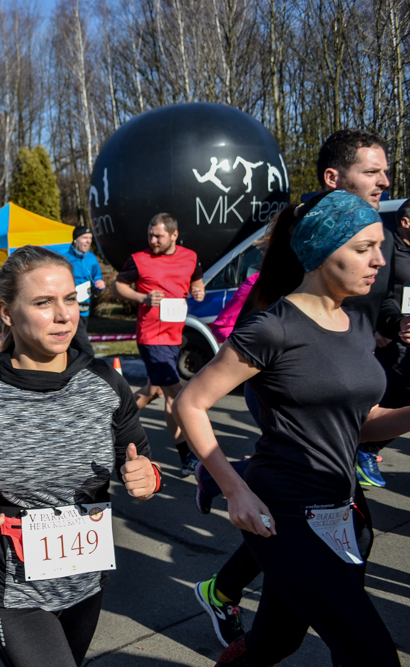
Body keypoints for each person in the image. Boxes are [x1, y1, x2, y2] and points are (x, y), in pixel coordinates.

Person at [174, 190, 407, 666]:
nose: (379, 260)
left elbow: (359, 426)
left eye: (378, 247)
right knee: (372, 655)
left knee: (277, 640)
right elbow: (190, 402)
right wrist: (233, 489)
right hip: (283, 514)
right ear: (323, 251)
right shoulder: (273, 327)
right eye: (363, 248)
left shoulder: (359, 323)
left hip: (342, 512)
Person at [0, 245, 162, 667]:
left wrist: (148, 476)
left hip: (86, 579)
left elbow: (141, 459)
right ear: (7, 313)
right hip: (11, 585)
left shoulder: (106, 383)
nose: (64, 315)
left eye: (70, 299)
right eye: (43, 303)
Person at [113, 213, 204, 475]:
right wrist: (142, 297)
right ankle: (188, 457)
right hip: (151, 337)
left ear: (174, 235)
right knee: (178, 394)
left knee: (155, 390)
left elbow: (197, 282)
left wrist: (199, 290)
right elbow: (118, 286)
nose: (152, 240)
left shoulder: (190, 256)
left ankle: (111, 422)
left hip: (175, 335)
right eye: (150, 235)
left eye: (158, 236)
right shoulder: (139, 259)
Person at [367, 198, 410, 487]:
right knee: (403, 393)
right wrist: (382, 327)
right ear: (405, 222)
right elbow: (377, 295)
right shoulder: (389, 248)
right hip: (390, 337)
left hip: (405, 327)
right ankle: (367, 448)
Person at [62, 225, 105, 357]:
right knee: (84, 345)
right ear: (75, 239)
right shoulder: (64, 259)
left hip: (85, 307)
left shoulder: (91, 258)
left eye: (90, 238)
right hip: (68, 308)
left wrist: (100, 284)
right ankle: (91, 365)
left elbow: (97, 276)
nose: (88, 241)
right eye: (85, 238)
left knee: (74, 344)